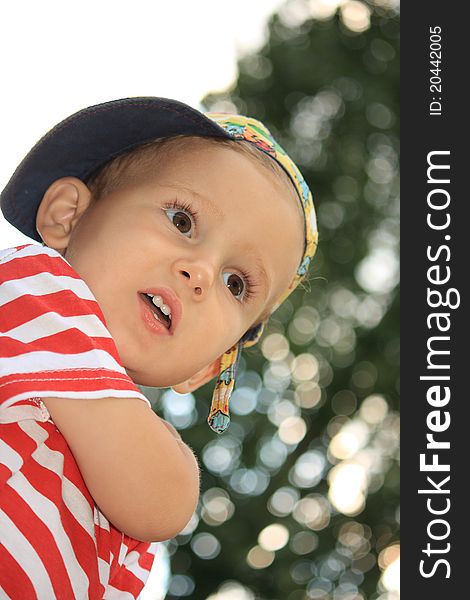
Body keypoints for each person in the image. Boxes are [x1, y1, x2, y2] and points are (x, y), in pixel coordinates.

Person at [0, 97, 318, 598]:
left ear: (209, 367)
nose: (202, 273)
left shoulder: (135, 465)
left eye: (236, 284)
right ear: (69, 216)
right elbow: (162, 501)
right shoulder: (28, 289)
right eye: (182, 221)